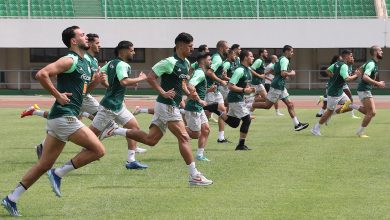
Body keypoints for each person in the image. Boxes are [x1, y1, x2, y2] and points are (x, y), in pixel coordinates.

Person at [1, 26, 105, 217]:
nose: (86, 36)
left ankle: (11, 199)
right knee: (98, 150)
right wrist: (57, 95)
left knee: (43, 165)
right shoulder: (69, 59)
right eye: (81, 35)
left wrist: (96, 81)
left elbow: (82, 93)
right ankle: (59, 174)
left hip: (61, 118)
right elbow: (42, 74)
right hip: (64, 117)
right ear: (73, 41)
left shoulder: (83, 62)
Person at [100, 32, 213, 186]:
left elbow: (182, 84)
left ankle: (115, 130)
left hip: (169, 105)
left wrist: (189, 94)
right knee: (184, 138)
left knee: (151, 140)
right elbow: (151, 76)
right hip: (167, 105)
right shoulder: (169, 62)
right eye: (190, 46)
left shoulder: (186, 63)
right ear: (180, 45)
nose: (192, 49)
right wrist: (163, 92)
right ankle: (194, 175)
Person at [89, 41, 149, 169]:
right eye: (132, 50)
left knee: (134, 128)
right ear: (124, 50)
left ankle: (131, 161)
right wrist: (141, 78)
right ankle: (59, 147)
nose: (134, 52)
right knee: (89, 135)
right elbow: (124, 81)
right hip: (109, 107)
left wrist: (106, 81)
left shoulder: (112, 63)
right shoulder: (122, 65)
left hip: (118, 106)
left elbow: (101, 75)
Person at [249, 45, 309, 131]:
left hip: (280, 86)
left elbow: (272, 70)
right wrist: (291, 73)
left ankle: (297, 124)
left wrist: (266, 75)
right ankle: (249, 104)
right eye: (291, 51)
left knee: (290, 104)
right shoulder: (284, 60)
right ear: (286, 51)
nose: (292, 53)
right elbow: (283, 73)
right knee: (267, 105)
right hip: (277, 86)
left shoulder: (280, 59)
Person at [311, 50, 360, 136]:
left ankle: (330, 114)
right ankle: (315, 128)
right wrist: (356, 75)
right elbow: (347, 79)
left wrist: (334, 79)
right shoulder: (344, 66)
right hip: (334, 93)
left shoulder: (338, 63)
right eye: (351, 56)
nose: (353, 58)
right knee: (329, 111)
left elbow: (328, 70)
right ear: (346, 57)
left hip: (340, 91)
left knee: (350, 106)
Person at [183, 52, 212, 161]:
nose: (211, 62)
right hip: (193, 107)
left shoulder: (201, 73)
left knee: (206, 129)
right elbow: (190, 86)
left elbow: (195, 88)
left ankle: (199, 155)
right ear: (202, 61)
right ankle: (175, 125)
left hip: (198, 107)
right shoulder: (200, 73)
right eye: (209, 60)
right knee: (195, 134)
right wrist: (200, 100)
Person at [353, 46, 385, 137]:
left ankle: (351, 105)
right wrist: (377, 83)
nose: (382, 52)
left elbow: (359, 70)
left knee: (371, 112)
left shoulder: (372, 63)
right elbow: (365, 77)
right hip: (364, 89)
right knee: (371, 113)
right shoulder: (371, 64)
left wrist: (357, 72)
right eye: (380, 50)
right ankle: (360, 132)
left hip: (364, 89)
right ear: (375, 52)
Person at [205, 40, 229, 143]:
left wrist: (221, 77)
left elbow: (213, 72)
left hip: (216, 89)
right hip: (211, 89)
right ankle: (183, 112)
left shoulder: (219, 58)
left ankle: (221, 137)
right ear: (222, 48)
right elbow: (209, 72)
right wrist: (221, 80)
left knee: (222, 111)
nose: (228, 49)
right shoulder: (218, 59)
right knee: (205, 112)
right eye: (227, 48)